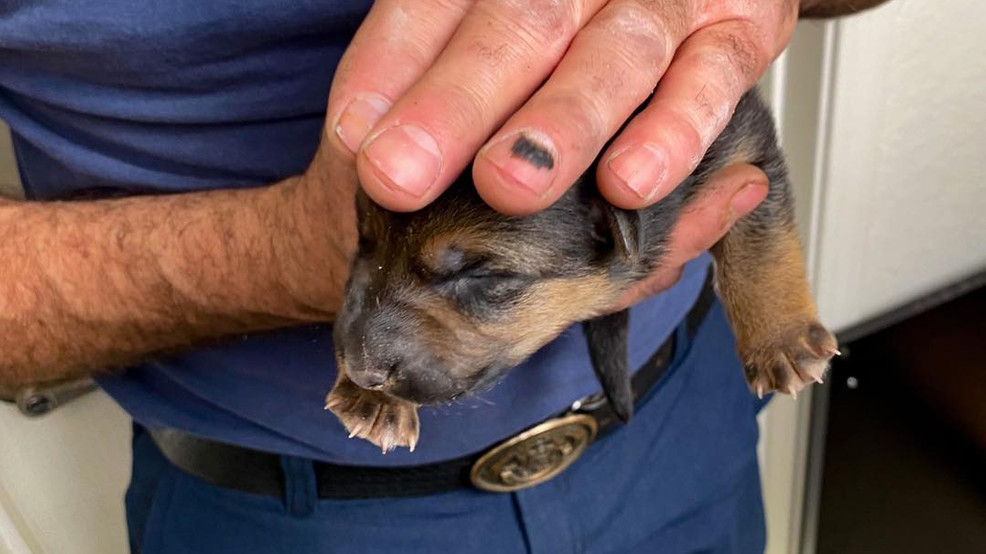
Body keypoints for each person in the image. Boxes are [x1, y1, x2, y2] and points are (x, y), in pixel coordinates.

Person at [0, 0, 890, 552]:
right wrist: (283, 252)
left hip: (683, 427)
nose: (367, 349)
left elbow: (747, 142)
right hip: (293, 509)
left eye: (476, 279)